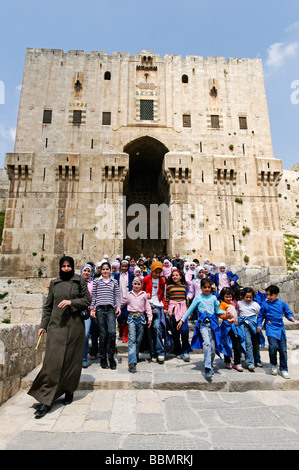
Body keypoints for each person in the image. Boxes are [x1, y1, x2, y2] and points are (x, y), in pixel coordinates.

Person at [28, 256, 92, 418]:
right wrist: (43, 326)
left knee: (71, 362)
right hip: (56, 328)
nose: (66, 269)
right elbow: (48, 307)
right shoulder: (54, 283)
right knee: (52, 363)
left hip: (75, 327)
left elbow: (87, 300)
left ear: (72, 267)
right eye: (63, 266)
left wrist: (72, 303)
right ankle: (45, 400)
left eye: (68, 266)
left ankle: (68, 390)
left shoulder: (80, 281)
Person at [177, 278, 222, 380]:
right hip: (203, 325)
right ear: (201, 288)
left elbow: (218, 310)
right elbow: (190, 310)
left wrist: (226, 314)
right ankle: (207, 368)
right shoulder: (198, 298)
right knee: (206, 344)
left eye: (208, 287)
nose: (207, 289)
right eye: (204, 287)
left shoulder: (214, 298)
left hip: (213, 325)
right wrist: (182, 320)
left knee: (212, 348)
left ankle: (210, 364)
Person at [257, 285, 295, 379]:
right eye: (267, 295)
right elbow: (260, 316)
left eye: (271, 295)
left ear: (277, 294)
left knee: (283, 350)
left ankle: (284, 369)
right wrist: (259, 324)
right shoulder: (265, 304)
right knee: (273, 347)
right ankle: (273, 364)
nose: (269, 297)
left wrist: (290, 317)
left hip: (280, 329)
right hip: (270, 328)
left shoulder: (282, 303)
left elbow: (288, 312)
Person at [90, 262, 121, 370]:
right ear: (101, 270)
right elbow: (94, 296)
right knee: (103, 334)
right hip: (100, 309)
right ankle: (103, 357)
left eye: (107, 269)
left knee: (112, 332)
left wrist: (118, 306)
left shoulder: (114, 282)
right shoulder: (96, 281)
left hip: (110, 309)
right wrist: (92, 308)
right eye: (103, 269)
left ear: (110, 270)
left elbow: (117, 295)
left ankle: (111, 357)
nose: (105, 271)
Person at [121, 277, 152, 373]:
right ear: (132, 285)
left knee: (139, 339)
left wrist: (149, 317)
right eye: (135, 284)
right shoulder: (129, 295)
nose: (136, 286)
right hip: (131, 318)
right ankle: (132, 362)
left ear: (141, 286)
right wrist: (115, 307)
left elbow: (147, 307)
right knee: (132, 339)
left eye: (139, 284)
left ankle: (135, 354)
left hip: (141, 318)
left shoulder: (143, 295)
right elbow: (121, 303)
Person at [142, 261, 167, 363]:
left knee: (157, 327)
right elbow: (141, 292)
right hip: (148, 306)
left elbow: (162, 296)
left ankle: (160, 352)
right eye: (155, 272)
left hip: (158, 306)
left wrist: (164, 307)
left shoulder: (162, 281)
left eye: (159, 272)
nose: (157, 274)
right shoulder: (146, 279)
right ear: (152, 271)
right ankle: (153, 353)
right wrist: (145, 295)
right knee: (149, 330)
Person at [165, 269, 191, 361]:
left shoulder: (184, 287)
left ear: (180, 277)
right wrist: (167, 310)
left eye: (176, 275)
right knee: (175, 332)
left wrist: (188, 311)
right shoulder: (169, 287)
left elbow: (186, 299)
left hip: (183, 311)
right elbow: (167, 299)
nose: (174, 277)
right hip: (173, 311)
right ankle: (178, 351)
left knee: (184, 331)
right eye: (173, 275)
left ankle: (186, 351)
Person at [237, 287, 264, 371]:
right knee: (248, 343)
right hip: (244, 325)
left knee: (255, 344)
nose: (248, 299)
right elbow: (237, 312)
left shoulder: (255, 304)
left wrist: (259, 324)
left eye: (250, 297)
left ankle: (257, 360)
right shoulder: (239, 303)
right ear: (243, 296)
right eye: (246, 297)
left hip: (253, 325)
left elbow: (261, 314)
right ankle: (250, 362)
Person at [218, 287, 245, 371]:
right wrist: (226, 316)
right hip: (226, 327)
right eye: (226, 296)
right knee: (227, 344)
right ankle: (227, 361)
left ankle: (237, 362)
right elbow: (220, 314)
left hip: (234, 326)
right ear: (223, 297)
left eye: (230, 297)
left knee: (237, 344)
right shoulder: (222, 304)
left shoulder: (232, 304)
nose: (228, 298)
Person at [80, 264, 97, 368]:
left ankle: (84, 358)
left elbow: (94, 297)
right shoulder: (76, 283)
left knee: (86, 334)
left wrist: (93, 308)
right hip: (76, 310)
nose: (86, 272)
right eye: (84, 270)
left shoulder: (92, 284)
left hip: (87, 311)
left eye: (88, 271)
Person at [114, 260, 135, 342]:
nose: (124, 268)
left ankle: (125, 334)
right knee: (119, 317)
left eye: (126, 266)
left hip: (128, 298)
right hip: (119, 298)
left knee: (126, 316)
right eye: (122, 266)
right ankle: (121, 331)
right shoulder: (117, 275)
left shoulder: (131, 275)